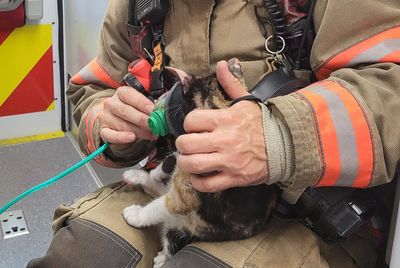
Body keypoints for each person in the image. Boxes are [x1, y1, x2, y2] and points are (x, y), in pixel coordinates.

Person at [28, 0, 400, 267]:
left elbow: (389, 87)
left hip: (302, 214)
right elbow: (91, 91)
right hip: (177, 187)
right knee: (77, 256)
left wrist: (279, 138)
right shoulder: (133, 6)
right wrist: (106, 120)